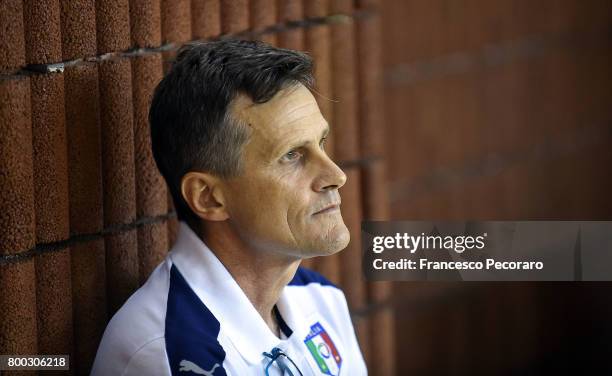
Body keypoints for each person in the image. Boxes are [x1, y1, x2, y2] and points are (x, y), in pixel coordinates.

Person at [91, 39, 367, 375]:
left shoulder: (321, 300)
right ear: (208, 197)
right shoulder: (168, 354)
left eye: (321, 143)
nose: (336, 176)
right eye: (292, 156)